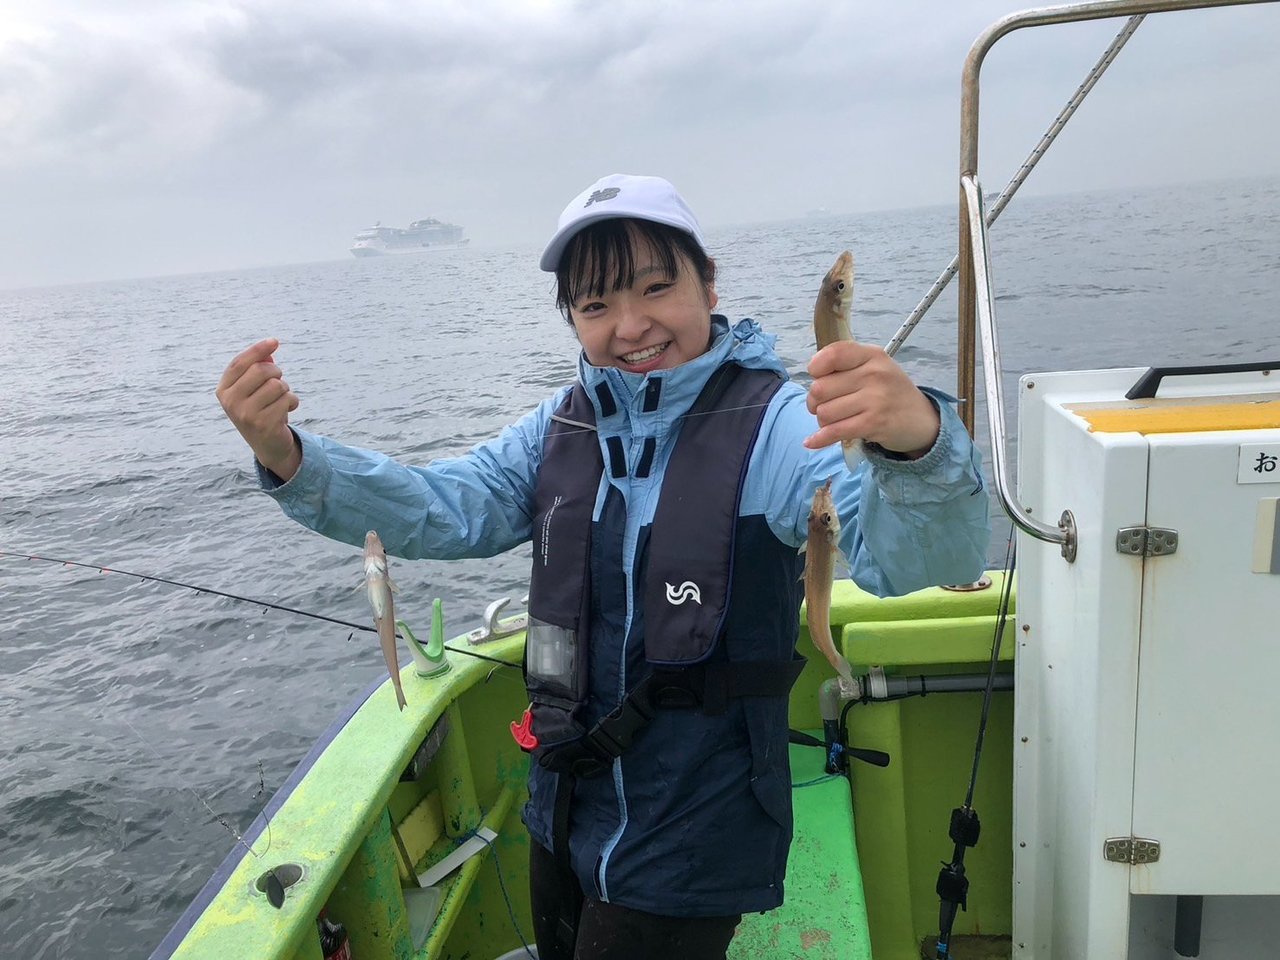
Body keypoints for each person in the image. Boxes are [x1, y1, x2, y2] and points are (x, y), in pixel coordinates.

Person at [217, 173, 990, 960]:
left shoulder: (781, 428)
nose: (631, 326)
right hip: (565, 797)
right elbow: (444, 506)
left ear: (708, 281)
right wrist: (291, 457)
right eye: (595, 305)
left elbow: (917, 558)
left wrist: (916, 447)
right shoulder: (561, 425)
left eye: (656, 287)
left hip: (695, 827)